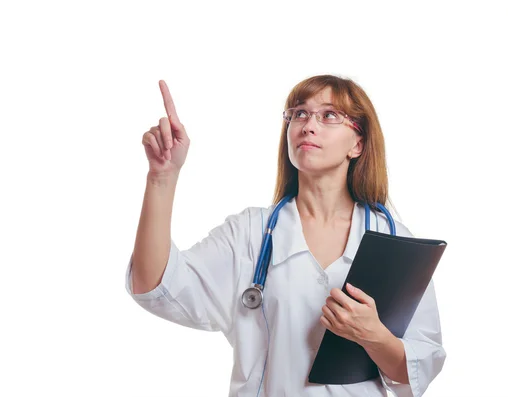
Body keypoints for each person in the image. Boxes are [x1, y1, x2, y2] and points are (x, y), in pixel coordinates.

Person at [124, 75, 446, 397]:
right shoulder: (250, 234)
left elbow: (418, 367)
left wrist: (373, 334)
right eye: (299, 114)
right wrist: (161, 178)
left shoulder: (392, 240)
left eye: (329, 115)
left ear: (357, 144)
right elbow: (154, 284)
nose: (308, 125)